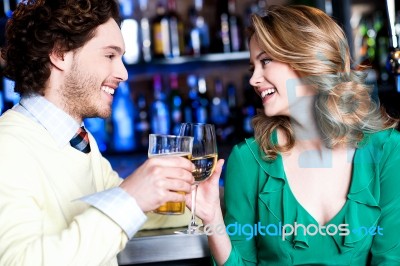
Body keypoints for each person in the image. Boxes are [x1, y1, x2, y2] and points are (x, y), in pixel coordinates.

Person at [192, 5, 400, 265]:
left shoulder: (386, 150)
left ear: (307, 58)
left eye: (265, 61)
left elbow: (391, 259)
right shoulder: (248, 160)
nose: (254, 79)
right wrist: (212, 218)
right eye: (252, 67)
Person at [0, 0, 195, 265]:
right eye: (110, 55)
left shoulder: (78, 140)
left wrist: (202, 200)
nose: (123, 73)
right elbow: (19, 261)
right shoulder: (7, 146)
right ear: (60, 53)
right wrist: (131, 198)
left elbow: (138, 210)